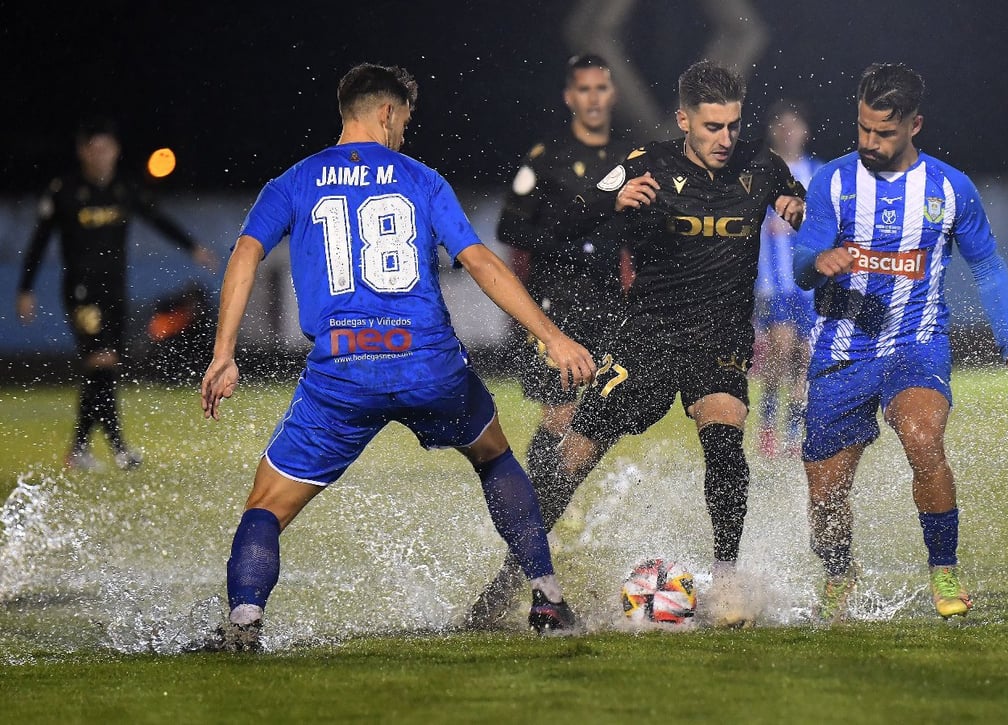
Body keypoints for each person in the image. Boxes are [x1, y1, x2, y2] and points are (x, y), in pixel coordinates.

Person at [198, 63, 597, 650]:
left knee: (266, 506)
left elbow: (244, 255)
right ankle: (548, 600)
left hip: (342, 373)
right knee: (493, 456)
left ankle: (243, 626)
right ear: (386, 112)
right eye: (405, 120)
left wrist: (224, 352)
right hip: (428, 364)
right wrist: (551, 335)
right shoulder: (422, 180)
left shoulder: (293, 182)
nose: (405, 134)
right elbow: (482, 262)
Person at [466, 60, 806, 629]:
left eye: (733, 126)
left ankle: (726, 583)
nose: (725, 140)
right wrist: (612, 204)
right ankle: (513, 579)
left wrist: (796, 209)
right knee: (571, 457)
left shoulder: (762, 166)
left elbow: (799, 203)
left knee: (724, 435)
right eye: (711, 128)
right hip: (645, 336)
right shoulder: (644, 164)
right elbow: (566, 219)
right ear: (683, 120)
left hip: (717, 339)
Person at [793, 62, 1008, 622]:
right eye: (862, 129)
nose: (869, 142)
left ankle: (944, 568)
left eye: (883, 133)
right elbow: (799, 265)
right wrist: (818, 261)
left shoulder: (950, 187)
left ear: (915, 124)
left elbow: (987, 266)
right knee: (826, 497)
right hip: (842, 353)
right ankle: (839, 576)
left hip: (917, 344)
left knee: (922, 438)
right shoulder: (833, 182)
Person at [16, 117, 217, 471]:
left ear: (116, 151)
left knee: (105, 370)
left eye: (108, 149)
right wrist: (26, 289)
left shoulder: (123, 190)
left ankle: (79, 449)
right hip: (80, 292)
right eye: (95, 149)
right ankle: (119, 449)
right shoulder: (64, 190)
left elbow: (156, 218)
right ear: (82, 151)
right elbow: (39, 241)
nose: (102, 156)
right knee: (102, 361)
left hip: (115, 292)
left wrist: (192, 247)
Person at [495, 53, 634, 506]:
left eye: (601, 88)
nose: (593, 98)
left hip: (608, 299)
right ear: (570, 97)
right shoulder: (546, 157)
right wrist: (573, 246)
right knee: (560, 411)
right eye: (584, 89)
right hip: (555, 300)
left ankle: (551, 500)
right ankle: (541, 511)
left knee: (597, 412)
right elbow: (508, 228)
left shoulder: (628, 158)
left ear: (612, 94)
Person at [753, 98, 824, 457]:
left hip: (810, 287)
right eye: (781, 126)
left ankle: (794, 432)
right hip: (773, 284)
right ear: (772, 132)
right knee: (780, 351)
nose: (788, 133)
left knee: (806, 357)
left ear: (805, 132)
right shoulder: (761, 171)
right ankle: (767, 425)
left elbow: (831, 222)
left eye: (793, 126)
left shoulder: (819, 173)